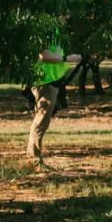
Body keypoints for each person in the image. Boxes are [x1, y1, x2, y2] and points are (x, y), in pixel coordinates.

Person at [26, 28, 82, 169]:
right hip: (44, 82)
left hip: (51, 82)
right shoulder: (47, 29)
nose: (67, 15)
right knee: (40, 122)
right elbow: (43, 55)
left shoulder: (57, 31)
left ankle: (36, 159)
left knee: (42, 122)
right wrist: (65, 59)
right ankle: (34, 161)